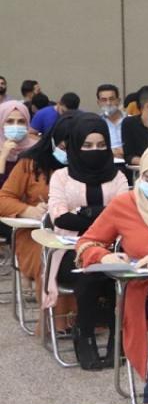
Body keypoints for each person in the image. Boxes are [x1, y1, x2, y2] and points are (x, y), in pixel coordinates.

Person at [75, 142, 148, 404]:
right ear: (140, 175)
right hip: (142, 293)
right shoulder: (124, 204)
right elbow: (87, 242)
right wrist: (105, 255)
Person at [45, 114, 130, 368]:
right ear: (75, 146)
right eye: (88, 145)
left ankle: (115, 335)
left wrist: (84, 213)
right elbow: (61, 218)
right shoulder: (61, 176)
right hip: (69, 250)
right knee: (90, 273)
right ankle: (86, 333)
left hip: (113, 249)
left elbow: (124, 216)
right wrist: (103, 216)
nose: (95, 151)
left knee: (111, 274)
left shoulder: (118, 177)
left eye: (101, 145)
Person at [0, 112, 76, 316]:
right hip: (37, 235)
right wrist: (27, 210)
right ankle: (59, 321)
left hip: (78, 233)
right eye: (62, 147)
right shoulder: (31, 163)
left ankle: (90, 320)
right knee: (50, 259)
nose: (68, 153)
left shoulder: (88, 164)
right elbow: (3, 198)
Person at [2, 101, 39, 185]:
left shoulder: (36, 148)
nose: (16, 126)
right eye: (10, 121)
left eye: (21, 122)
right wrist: (3, 157)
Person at [97, 84, 126, 159]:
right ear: (98, 103)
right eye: (104, 100)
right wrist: (111, 152)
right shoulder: (96, 123)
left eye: (111, 99)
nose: (108, 103)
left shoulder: (131, 121)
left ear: (118, 101)